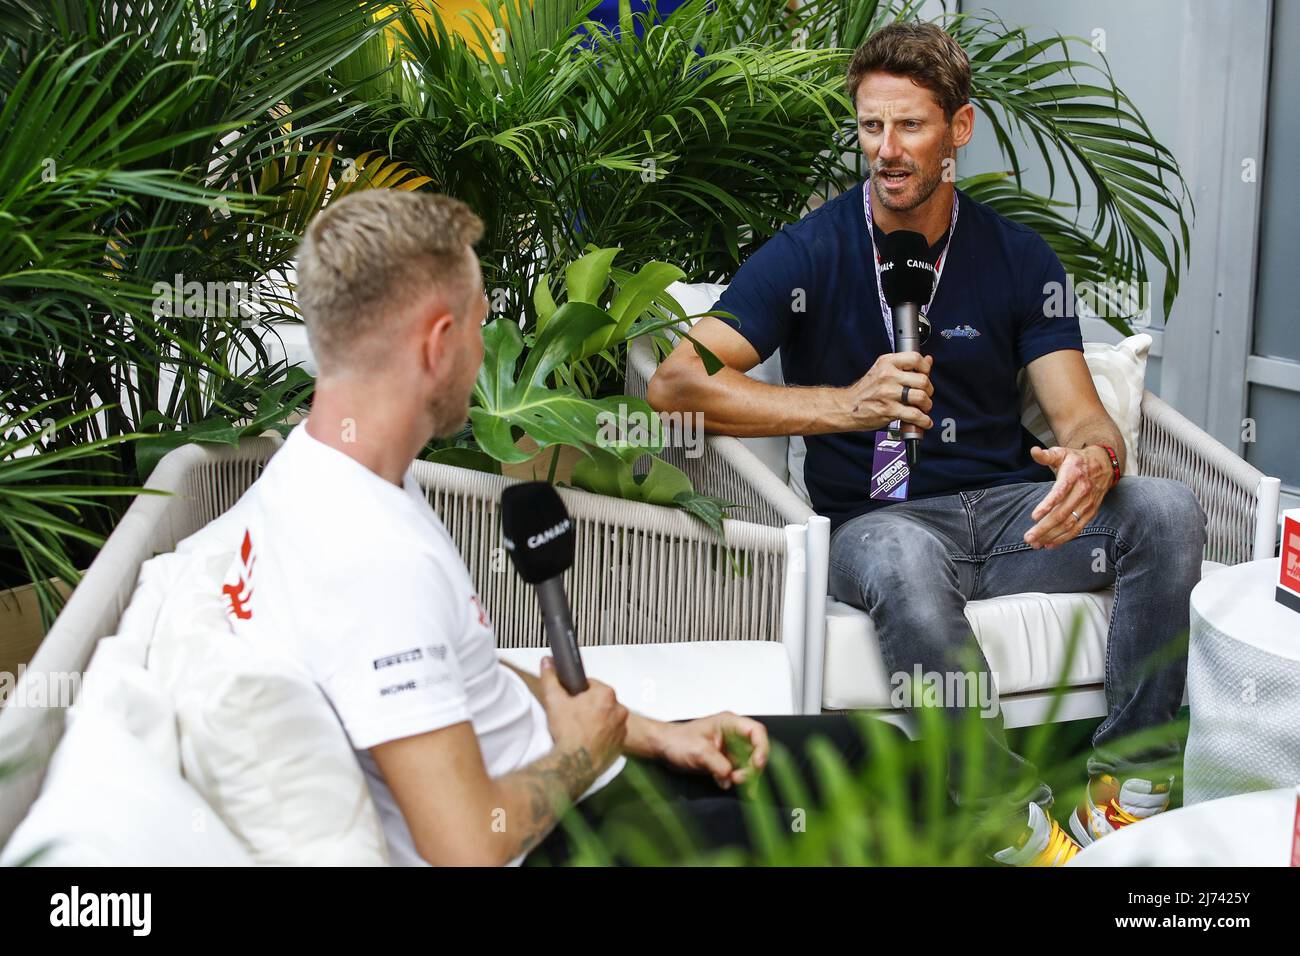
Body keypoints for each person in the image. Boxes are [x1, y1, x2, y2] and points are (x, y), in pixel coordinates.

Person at [197, 188, 900, 867]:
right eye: (480, 323)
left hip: (573, 780)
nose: (485, 347)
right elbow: (467, 846)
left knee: (876, 753)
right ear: (439, 345)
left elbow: (442, 673)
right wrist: (581, 754)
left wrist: (655, 734)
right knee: (872, 825)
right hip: (555, 838)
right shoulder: (371, 555)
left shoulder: (331, 472)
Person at [647, 21, 1207, 866]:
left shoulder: (1018, 257)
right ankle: (1006, 820)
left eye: (909, 125)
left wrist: (1096, 459)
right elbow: (674, 386)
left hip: (1013, 516)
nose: (886, 149)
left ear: (960, 129)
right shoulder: (810, 252)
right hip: (877, 522)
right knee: (906, 563)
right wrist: (845, 406)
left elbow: (1079, 413)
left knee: (1166, 508)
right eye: (871, 127)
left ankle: (1127, 794)